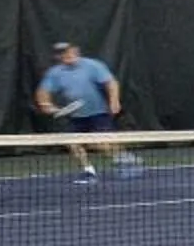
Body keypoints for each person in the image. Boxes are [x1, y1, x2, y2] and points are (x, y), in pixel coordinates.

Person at [35, 40, 137, 182]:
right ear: (58, 57)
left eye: (68, 51)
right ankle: (88, 171)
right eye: (62, 53)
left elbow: (111, 83)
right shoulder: (54, 73)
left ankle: (124, 158)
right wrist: (46, 105)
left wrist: (114, 101)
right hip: (75, 116)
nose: (66, 55)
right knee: (72, 143)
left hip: (98, 113)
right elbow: (43, 92)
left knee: (103, 145)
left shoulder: (93, 65)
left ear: (76, 51)